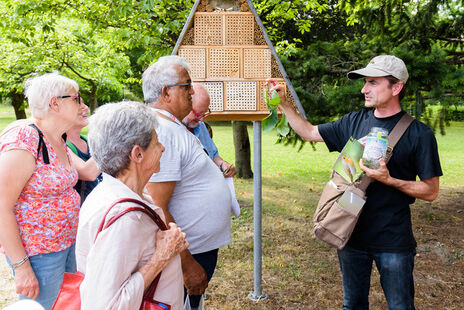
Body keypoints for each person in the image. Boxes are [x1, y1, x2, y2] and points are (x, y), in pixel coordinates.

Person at [269, 55, 442, 309]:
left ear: (396, 87)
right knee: (353, 304)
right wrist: (283, 103)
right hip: (350, 235)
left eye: (372, 82)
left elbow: (431, 191)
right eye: (364, 82)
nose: (364, 89)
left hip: (393, 240)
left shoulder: (420, 134)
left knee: (400, 306)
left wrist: (389, 180)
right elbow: (308, 132)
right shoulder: (353, 121)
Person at [0, 72, 100, 310]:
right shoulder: (25, 139)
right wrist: (23, 267)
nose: (82, 105)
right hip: (39, 254)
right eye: (76, 98)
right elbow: (2, 207)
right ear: (54, 103)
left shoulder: (56, 138)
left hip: (66, 245)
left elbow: (87, 172)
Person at [76, 101, 188, 309]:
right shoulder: (125, 219)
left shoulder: (112, 192)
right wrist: (162, 256)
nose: (162, 148)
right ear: (137, 154)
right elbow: (106, 306)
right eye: (156, 142)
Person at [142, 55, 233, 309]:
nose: (192, 90)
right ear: (166, 93)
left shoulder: (174, 127)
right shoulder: (164, 132)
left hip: (195, 249)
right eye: (186, 85)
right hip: (186, 254)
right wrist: (186, 263)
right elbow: (158, 206)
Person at [182, 83, 236, 177]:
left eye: (205, 113)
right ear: (184, 105)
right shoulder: (171, 130)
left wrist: (223, 164)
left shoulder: (200, 126)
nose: (202, 119)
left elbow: (213, 155)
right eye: (198, 114)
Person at [66, 102, 102, 203]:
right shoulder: (61, 146)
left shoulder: (88, 141)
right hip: (85, 212)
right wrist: (113, 137)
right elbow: (88, 173)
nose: (85, 107)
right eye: (77, 103)